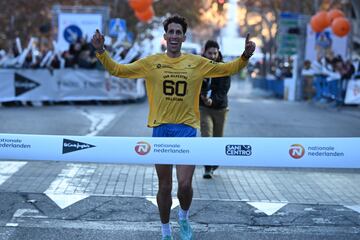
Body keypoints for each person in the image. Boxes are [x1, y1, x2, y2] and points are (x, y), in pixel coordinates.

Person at [92, 14, 255, 240]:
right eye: (171, 32)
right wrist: (101, 52)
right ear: (165, 37)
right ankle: (165, 230)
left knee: (185, 184)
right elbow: (119, 70)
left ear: (184, 37)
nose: (175, 36)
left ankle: (184, 217)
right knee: (165, 186)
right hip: (161, 130)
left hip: (186, 130)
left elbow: (227, 69)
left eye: (179, 33)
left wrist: (245, 55)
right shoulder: (151, 63)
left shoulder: (196, 63)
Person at [199, 40, 230, 179]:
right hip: (203, 108)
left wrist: (213, 100)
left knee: (217, 139)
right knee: (207, 136)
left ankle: (214, 163)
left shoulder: (223, 68)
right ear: (204, 52)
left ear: (218, 53)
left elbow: (224, 90)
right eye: (209, 53)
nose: (212, 56)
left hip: (220, 108)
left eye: (214, 53)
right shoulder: (199, 66)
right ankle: (207, 168)